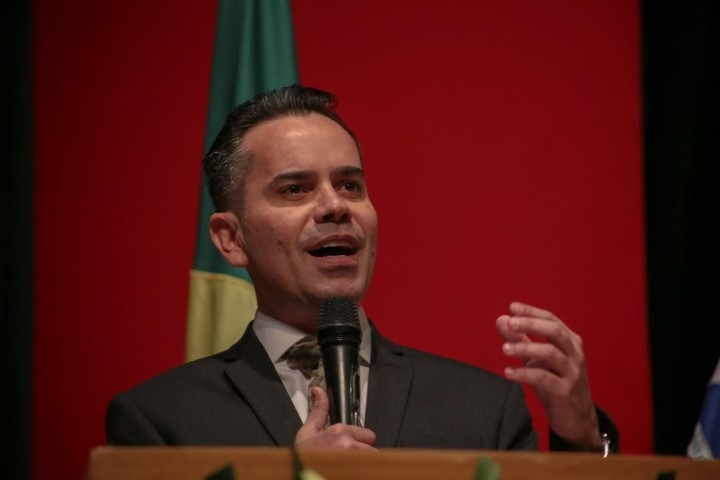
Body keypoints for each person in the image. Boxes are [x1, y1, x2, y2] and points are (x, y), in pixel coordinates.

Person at [106, 85, 617, 452]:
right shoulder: (161, 421)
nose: (335, 206)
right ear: (231, 238)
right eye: (295, 189)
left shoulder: (484, 408)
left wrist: (582, 441)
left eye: (350, 185)